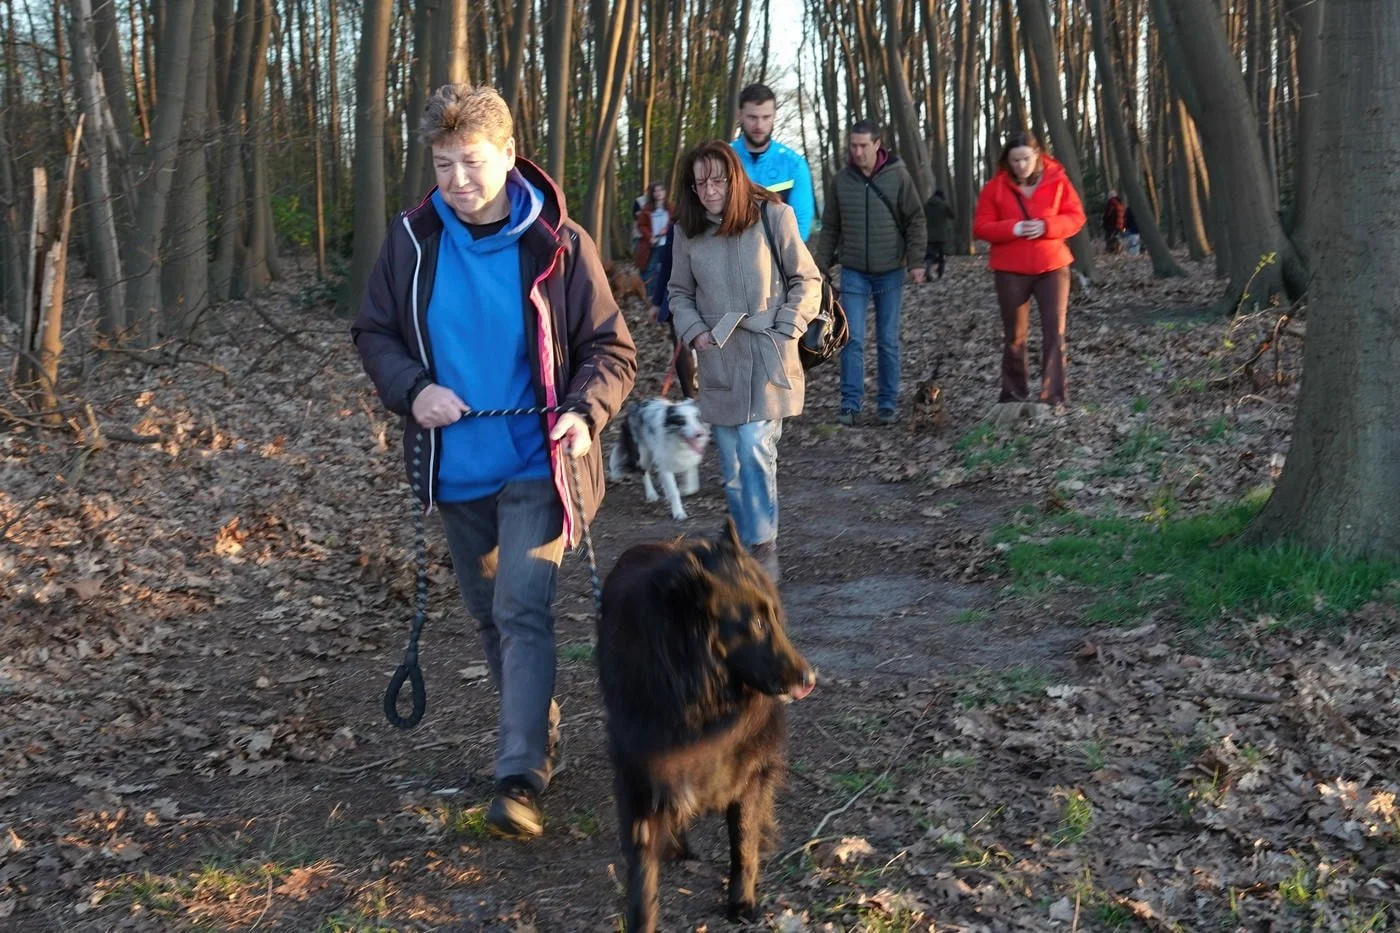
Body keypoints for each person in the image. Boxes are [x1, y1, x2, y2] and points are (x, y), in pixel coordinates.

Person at [351, 84, 636, 840]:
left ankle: (518, 776)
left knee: (520, 607)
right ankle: (538, 729)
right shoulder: (411, 240)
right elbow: (374, 331)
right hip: (455, 467)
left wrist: (584, 411)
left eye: (471, 162)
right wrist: (413, 390)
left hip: (539, 460)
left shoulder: (560, 242)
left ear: (509, 155)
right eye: (443, 164)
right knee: (486, 614)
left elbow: (612, 349)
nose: (456, 180)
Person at [667, 140, 821, 582]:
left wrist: (789, 324)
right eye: (700, 184)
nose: (710, 191)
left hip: (769, 351)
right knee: (732, 460)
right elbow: (678, 292)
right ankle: (742, 540)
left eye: (718, 180)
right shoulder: (688, 232)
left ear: (735, 178)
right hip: (719, 356)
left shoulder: (774, 216)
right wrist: (694, 330)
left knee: (755, 444)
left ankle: (762, 545)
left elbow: (807, 278)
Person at [812, 120, 927, 426]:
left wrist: (916, 261)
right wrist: (820, 267)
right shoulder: (841, 181)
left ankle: (887, 403)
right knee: (852, 338)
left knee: (888, 339)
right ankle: (850, 404)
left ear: (877, 145)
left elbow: (915, 219)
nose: (858, 151)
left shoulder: (898, 176)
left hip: (891, 270)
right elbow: (830, 227)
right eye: (853, 145)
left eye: (863, 145)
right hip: (854, 272)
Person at [972, 130, 1085, 413]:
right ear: (1006, 161)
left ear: (1037, 156)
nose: (1021, 165)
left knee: (1055, 332)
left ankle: (1054, 398)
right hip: (1010, 270)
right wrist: (1014, 228)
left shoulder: (1058, 180)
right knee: (1015, 335)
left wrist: (1048, 226)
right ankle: (1013, 396)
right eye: (1015, 160)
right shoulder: (995, 188)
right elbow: (981, 227)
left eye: (1026, 159)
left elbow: (1076, 217)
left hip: (1052, 267)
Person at [730, 83, 816, 241]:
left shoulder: (794, 165)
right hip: (729, 253)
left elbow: (800, 226)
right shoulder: (722, 160)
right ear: (739, 115)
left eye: (766, 117)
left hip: (777, 254)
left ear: (774, 115)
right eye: (752, 117)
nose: (759, 125)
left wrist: (777, 256)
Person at [647, 236, 697, 398]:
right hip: (678, 298)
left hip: (699, 298)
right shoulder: (677, 227)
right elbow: (667, 264)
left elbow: (666, 264)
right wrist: (657, 301)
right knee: (682, 348)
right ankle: (689, 397)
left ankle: (691, 396)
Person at [633, 181, 673, 294]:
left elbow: (676, 222)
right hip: (653, 244)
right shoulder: (647, 209)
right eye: (656, 191)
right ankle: (650, 295)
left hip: (668, 244)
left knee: (669, 269)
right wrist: (650, 237)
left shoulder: (671, 208)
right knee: (650, 269)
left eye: (661, 190)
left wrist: (667, 229)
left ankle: (668, 294)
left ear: (665, 192)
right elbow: (641, 225)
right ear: (652, 194)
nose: (658, 193)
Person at [923, 188, 955, 280]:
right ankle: (940, 273)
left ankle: (928, 269)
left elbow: (921, 216)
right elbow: (952, 216)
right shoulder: (943, 205)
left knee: (929, 254)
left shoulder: (926, 205)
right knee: (941, 254)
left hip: (929, 235)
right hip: (942, 235)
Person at [1102, 189, 1126, 253]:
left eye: (1109, 196)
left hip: (1111, 225)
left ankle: (1112, 251)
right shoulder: (1120, 203)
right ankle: (1117, 250)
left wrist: (1104, 223)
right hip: (1119, 225)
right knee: (1115, 237)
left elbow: (1108, 215)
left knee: (1109, 239)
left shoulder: (1111, 203)